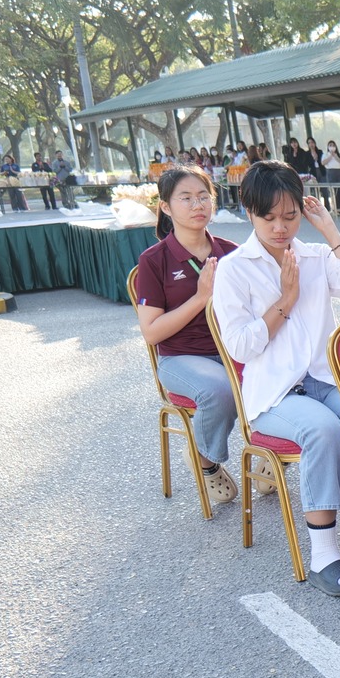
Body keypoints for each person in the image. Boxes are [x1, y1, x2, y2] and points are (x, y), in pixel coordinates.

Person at [212, 161, 340, 597]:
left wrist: (330, 232)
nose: (281, 228)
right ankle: (324, 552)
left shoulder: (314, 255)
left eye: (290, 216)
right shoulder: (233, 269)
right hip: (274, 393)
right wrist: (287, 299)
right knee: (324, 431)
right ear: (249, 212)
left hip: (323, 379)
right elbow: (242, 348)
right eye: (269, 217)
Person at [131, 167, 241, 506]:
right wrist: (199, 298)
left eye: (204, 196)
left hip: (233, 350)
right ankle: (205, 461)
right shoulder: (154, 261)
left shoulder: (230, 251)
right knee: (221, 389)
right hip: (181, 358)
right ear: (165, 207)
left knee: (278, 378)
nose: (198, 205)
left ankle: (264, 453)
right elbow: (152, 332)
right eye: (186, 198)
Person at [321, 139, 340, 213]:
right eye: (330, 145)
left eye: (333, 145)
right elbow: (323, 163)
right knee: (334, 191)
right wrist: (330, 156)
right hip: (331, 172)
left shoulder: (339, 154)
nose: (332, 147)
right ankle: (336, 209)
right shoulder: (325, 155)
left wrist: (336, 156)